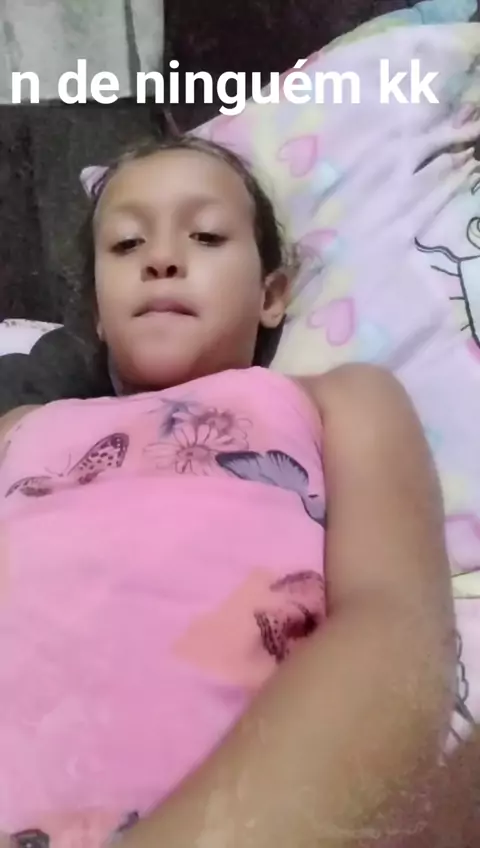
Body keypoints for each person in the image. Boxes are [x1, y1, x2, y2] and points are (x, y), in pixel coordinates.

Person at [0, 135, 455, 848]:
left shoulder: (337, 400)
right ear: (96, 313)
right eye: (126, 244)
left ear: (271, 296)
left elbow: (395, 622)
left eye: (206, 235)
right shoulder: (22, 428)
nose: (160, 258)